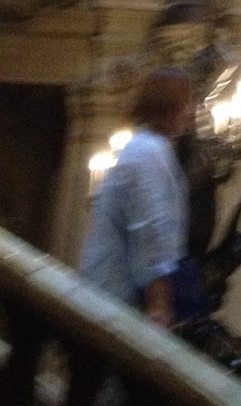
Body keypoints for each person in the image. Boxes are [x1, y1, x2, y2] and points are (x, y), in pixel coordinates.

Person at [79, 67, 193, 327]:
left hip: (113, 295)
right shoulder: (148, 152)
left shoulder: (147, 149)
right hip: (118, 301)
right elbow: (150, 228)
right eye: (187, 103)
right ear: (169, 105)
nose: (191, 113)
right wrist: (159, 304)